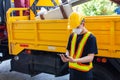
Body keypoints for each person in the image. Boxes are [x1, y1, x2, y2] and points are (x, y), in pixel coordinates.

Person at [60, 12, 98, 80]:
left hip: (84, 74)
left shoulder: (91, 37)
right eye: (73, 27)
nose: (75, 29)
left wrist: (74, 60)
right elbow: (68, 50)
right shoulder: (72, 35)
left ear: (83, 24)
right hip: (72, 72)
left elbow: (90, 58)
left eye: (77, 27)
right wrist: (66, 57)